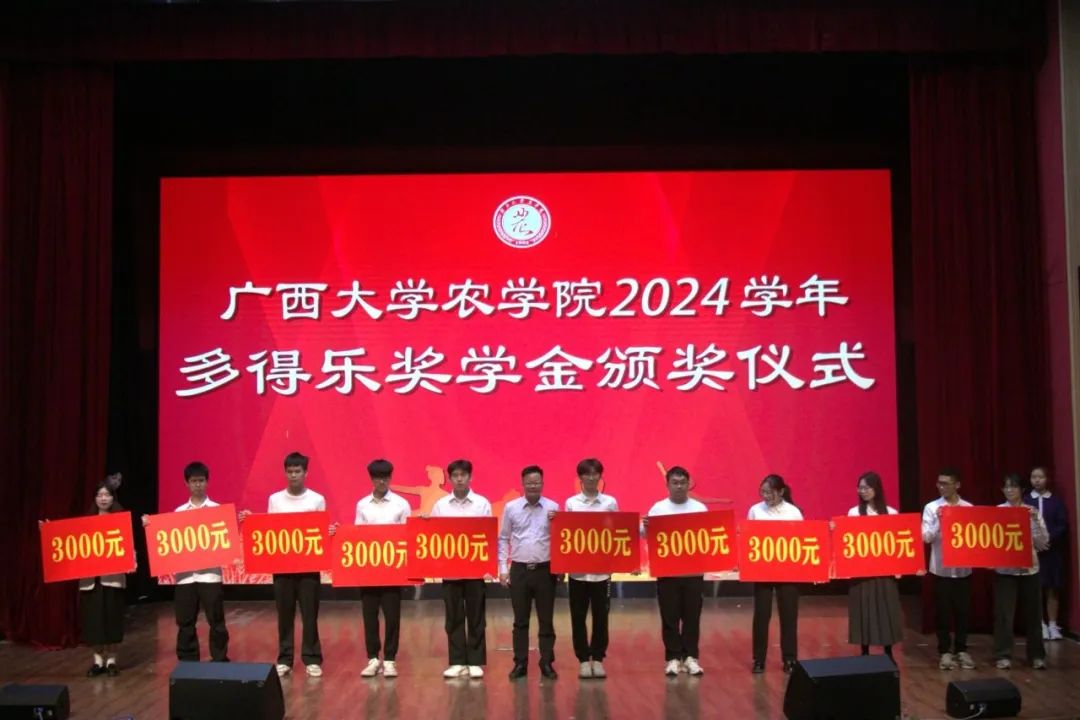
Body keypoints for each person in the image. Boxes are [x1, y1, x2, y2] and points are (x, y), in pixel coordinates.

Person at [240, 451, 327, 678]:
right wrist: (251, 520)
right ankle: (285, 659)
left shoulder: (316, 499)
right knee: (284, 614)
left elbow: (320, 531)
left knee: (310, 614)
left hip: (308, 567)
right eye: (290, 471)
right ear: (285, 473)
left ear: (306, 473)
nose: (293, 475)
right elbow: (270, 528)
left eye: (298, 471)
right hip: (282, 567)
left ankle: (312, 658)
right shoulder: (275, 499)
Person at [143, 461, 229, 662]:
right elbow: (167, 538)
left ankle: (219, 658)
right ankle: (188, 660)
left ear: (207, 482)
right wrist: (150, 525)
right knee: (185, 621)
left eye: (201, 480)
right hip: (185, 577)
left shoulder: (217, 510)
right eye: (193, 481)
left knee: (216, 620)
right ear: (187, 484)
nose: (198, 484)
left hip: (210, 575)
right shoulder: (179, 512)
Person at [430, 458, 492, 679]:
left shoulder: (481, 504)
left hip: (475, 571)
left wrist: (488, 566)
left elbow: (488, 535)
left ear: (470, 477)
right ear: (449, 479)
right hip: (451, 571)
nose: (459, 479)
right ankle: (457, 661)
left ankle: (475, 661)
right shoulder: (441, 506)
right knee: (453, 617)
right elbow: (434, 535)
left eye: (463, 475)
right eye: (455, 475)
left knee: (476, 616)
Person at [645, 465, 707, 677]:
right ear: (667, 485)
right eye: (675, 483)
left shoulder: (699, 508)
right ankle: (672, 657)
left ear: (688, 484)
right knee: (669, 617)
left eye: (683, 483)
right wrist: (646, 526)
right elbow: (646, 535)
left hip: (693, 573)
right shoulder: (659, 508)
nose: (679, 486)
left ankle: (691, 657)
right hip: (667, 573)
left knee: (692, 618)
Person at [500, 465, 560, 680]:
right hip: (519, 570)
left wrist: (561, 566)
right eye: (529, 483)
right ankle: (520, 663)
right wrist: (503, 568)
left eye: (537, 482)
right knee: (520, 621)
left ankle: (546, 662)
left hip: (545, 570)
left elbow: (561, 538)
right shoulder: (511, 508)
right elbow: (503, 538)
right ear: (522, 484)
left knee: (546, 620)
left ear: (542, 484)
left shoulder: (553, 508)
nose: (533, 486)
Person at [353, 459, 410, 678]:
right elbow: (357, 534)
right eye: (378, 477)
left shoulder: (401, 504)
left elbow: (408, 534)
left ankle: (390, 659)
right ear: (371, 478)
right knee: (369, 615)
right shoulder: (362, 504)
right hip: (368, 569)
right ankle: (372, 658)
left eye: (386, 477)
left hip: (393, 569)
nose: (382, 481)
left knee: (392, 616)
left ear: (390, 477)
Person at [561, 458, 618, 679]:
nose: (592, 478)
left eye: (595, 474)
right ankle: (583, 660)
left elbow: (618, 530)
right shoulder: (571, 503)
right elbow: (565, 534)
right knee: (578, 616)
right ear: (580, 478)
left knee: (601, 617)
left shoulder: (610, 502)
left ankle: (599, 658)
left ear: (601, 476)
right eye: (587, 474)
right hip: (578, 572)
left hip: (602, 572)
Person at [748, 474, 803, 674]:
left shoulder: (793, 512)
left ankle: (789, 659)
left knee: (789, 615)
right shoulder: (755, 510)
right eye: (763, 492)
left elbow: (802, 540)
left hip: (788, 571)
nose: (766, 496)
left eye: (770, 492)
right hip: (763, 570)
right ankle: (758, 659)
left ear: (781, 492)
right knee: (761, 616)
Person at [993, 473, 1049, 669]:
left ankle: (1036, 656)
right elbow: (991, 541)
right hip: (1005, 572)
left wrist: (1035, 521)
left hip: (1029, 570)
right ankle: (1003, 655)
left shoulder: (1031, 511)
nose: (1009, 490)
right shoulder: (998, 512)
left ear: (1022, 490)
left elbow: (1043, 543)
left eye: (1013, 487)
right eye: (1006, 487)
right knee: (1004, 615)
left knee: (1034, 615)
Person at [921, 467, 975, 670]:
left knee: (963, 612)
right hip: (941, 569)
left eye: (946, 483)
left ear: (957, 485)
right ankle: (944, 652)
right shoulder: (931, 507)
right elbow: (926, 537)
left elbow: (975, 537)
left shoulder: (968, 508)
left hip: (963, 570)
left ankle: (962, 650)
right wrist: (939, 520)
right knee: (942, 613)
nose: (941, 487)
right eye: (939, 483)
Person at [845, 471, 902, 659]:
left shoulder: (891, 513)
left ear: (876, 488)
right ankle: (864, 652)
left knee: (886, 610)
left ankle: (888, 652)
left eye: (867, 487)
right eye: (860, 488)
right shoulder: (854, 513)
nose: (863, 491)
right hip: (861, 573)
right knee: (863, 611)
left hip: (885, 573)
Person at [79, 482, 130, 676]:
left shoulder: (120, 521)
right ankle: (98, 661)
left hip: (113, 579)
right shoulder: (85, 522)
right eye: (99, 495)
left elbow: (128, 546)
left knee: (112, 620)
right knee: (94, 621)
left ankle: (111, 661)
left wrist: (131, 562)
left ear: (113, 498)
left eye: (107, 495)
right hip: (91, 581)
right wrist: (48, 530)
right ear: (95, 498)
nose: (103, 498)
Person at [1023, 466, 1068, 640]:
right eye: (1033, 477)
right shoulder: (1026, 501)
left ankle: (1053, 624)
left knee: (1052, 587)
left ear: (1047, 479)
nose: (1037, 480)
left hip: (1051, 550)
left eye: (1040, 477)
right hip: (1032, 551)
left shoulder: (1055, 502)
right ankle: (1039, 624)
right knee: (1036, 588)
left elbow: (1061, 525)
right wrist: (1035, 542)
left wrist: (1047, 540)